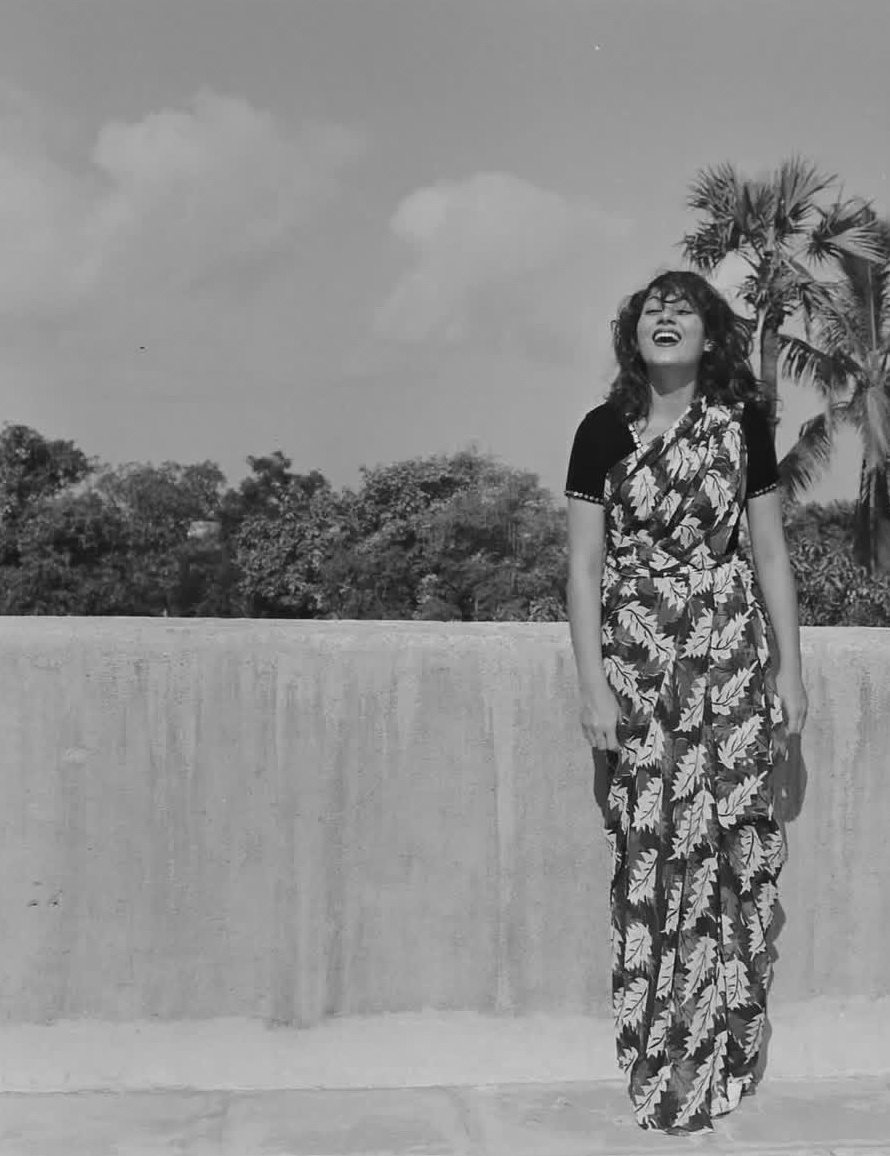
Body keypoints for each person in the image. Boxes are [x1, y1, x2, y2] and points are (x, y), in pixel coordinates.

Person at [564, 270, 807, 1134]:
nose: (664, 318)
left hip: (729, 657)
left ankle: (723, 1047)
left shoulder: (743, 427)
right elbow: (583, 568)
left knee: (728, 842)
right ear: (634, 335)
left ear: (710, 336)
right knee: (653, 847)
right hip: (637, 665)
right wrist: (592, 684)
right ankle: (659, 1050)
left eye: (683, 309)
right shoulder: (601, 431)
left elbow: (769, 555)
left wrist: (791, 670)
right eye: (651, 311)